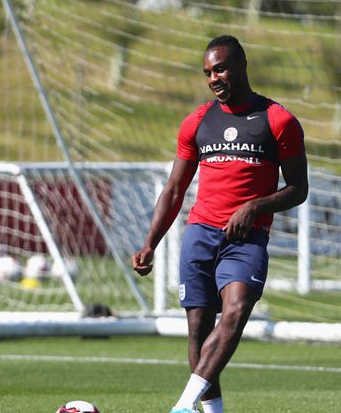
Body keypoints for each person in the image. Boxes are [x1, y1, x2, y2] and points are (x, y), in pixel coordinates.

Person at [131, 35, 308, 413]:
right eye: (208, 72)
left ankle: (181, 407)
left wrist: (255, 207)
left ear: (242, 65)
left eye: (221, 68)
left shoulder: (279, 120)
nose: (214, 78)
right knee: (198, 329)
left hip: (247, 238)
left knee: (237, 308)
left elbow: (298, 189)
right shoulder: (197, 121)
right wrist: (150, 243)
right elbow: (175, 189)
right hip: (200, 233)